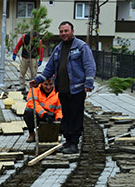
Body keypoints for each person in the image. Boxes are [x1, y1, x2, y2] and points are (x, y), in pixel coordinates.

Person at [30, 21, 96, 154]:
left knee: (75, 116)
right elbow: (49, 69)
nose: (64, 34)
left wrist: (89, 84)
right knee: (66, 116)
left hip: (77, 89)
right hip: (62, 89)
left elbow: (90, 66)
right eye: (61, 31)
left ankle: (74, 143)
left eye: (66, 31)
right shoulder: (58, 49)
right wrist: (37, 81)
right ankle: (68, 141)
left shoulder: (81, 47)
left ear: (72, 31)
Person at [24, 77, 63, 142]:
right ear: (41, 84)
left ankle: (55, 133)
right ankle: (32, 134)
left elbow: (59, 109)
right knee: (28, 112)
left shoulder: (57, 92)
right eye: (46, 84)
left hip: (51, 117)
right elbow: (32, 103)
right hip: (39, 115)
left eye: (50, 84)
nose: (48, 87)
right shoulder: (34, 89)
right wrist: (44, 114)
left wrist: (59, 119)